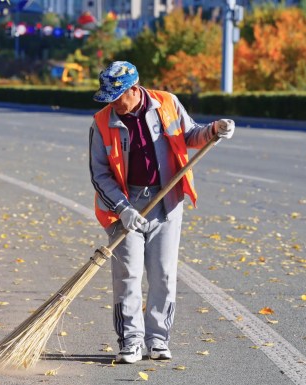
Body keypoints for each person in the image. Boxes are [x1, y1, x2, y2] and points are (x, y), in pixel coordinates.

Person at [88, 61, 235, 363]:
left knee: (163, 274)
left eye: (117, 97)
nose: (114, 104)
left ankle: (158, 340)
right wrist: (123, 208)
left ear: (133, 90)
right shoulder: (101, 123)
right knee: (127, 275)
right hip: (124, 208)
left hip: (166, 201)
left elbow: (190, 135)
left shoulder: (167, 103)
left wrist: (214, 130)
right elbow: (99, 173)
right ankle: (130, 341)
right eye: (109, 98)